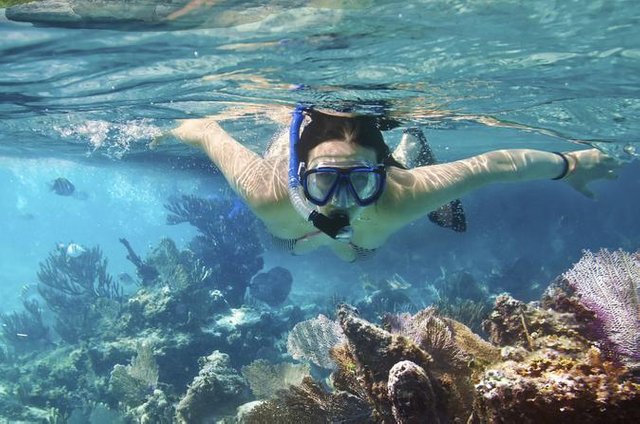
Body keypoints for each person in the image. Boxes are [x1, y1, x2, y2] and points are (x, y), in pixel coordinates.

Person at [171, 105, 620, 262]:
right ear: (299, 176)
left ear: (380, 176)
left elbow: (494, 165)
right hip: (291, 231)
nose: (340, 202)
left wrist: (571, 164)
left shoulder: (401, 195)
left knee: (357, 256)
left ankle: (405, 152)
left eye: (362, 182)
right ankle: (404, 152)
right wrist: (159, 131)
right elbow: (207, 129)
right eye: (325, 180)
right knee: (292, 243)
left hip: (369, 218)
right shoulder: (267, 193)